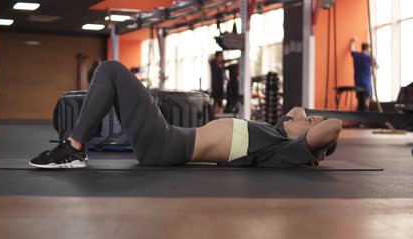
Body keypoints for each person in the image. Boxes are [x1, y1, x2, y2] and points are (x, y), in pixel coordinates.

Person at [29, 60, 342, 169]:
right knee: (111, 72)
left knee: (111, 69)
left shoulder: (281, 149)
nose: (307, 116)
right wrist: (299, 125)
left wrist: (315, 148)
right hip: (167, 138)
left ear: (305, 139)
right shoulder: (275, 132)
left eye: (311, 122)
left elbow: (334, 124)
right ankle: (77, 145)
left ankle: (74, 148)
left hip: (165, 144)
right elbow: (295, 112)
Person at [350, 37, 378, 111]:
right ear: (368, 48)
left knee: (360, 100)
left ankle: (360, 120)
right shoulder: (369, 57)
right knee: (367, 97)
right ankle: (366, 106)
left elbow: (352, 49)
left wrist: (353, 42)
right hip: (366, 82)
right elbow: (377, 66)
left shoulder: (357, 55)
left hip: (357, 82)